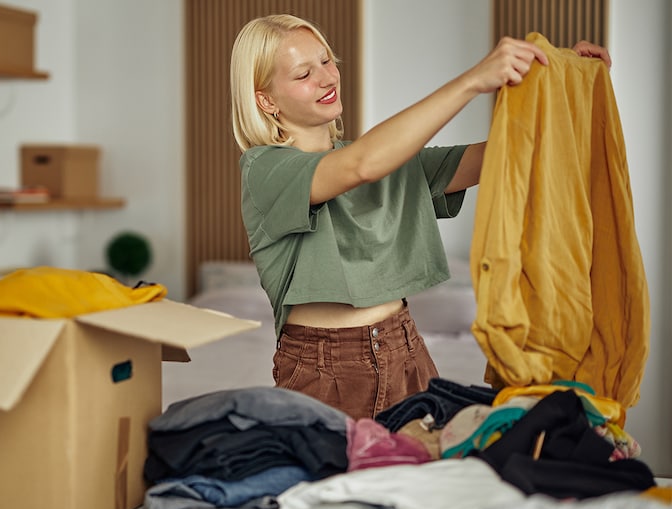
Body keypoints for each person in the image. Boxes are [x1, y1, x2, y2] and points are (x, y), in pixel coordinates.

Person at [229, 14, 611, 420]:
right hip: (323, 370)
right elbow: (360, 165)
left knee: (425, 481)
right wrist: (472, 81)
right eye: (305, 73)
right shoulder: (264, 169)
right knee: (342, 484)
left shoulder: (390, 162)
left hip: (406, 352)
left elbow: (510, 151)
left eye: (327, 61)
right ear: (266, 100)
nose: (327, 78)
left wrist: (561, 82)